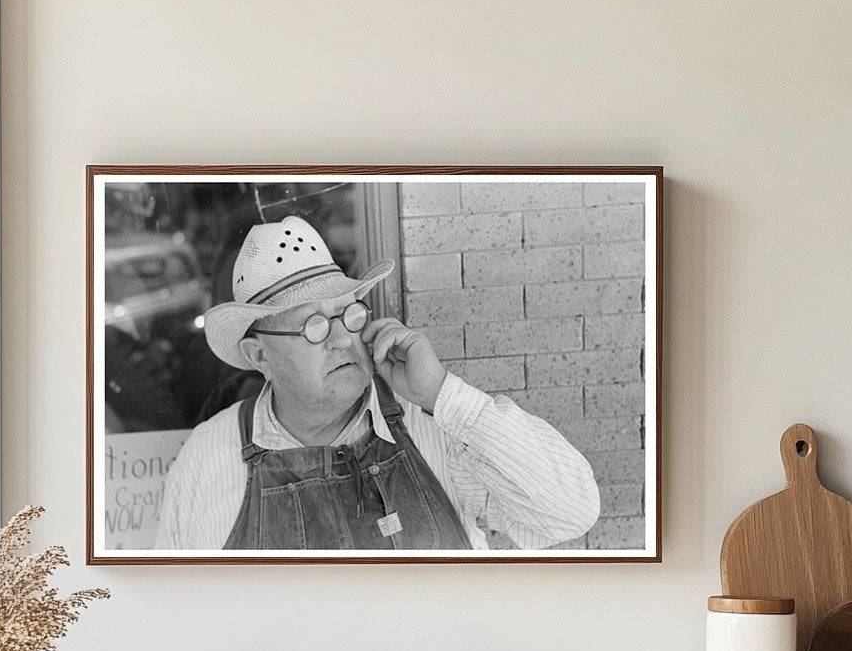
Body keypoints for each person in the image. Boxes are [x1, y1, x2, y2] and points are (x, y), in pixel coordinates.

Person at [154, 215, 600, 550]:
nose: (343, 339)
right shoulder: (207, 459)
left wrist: (440, 393)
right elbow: (180, 615)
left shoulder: (434, 427)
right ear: (259, 355)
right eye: (313, 325)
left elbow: (570, 512)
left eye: (348, 313)